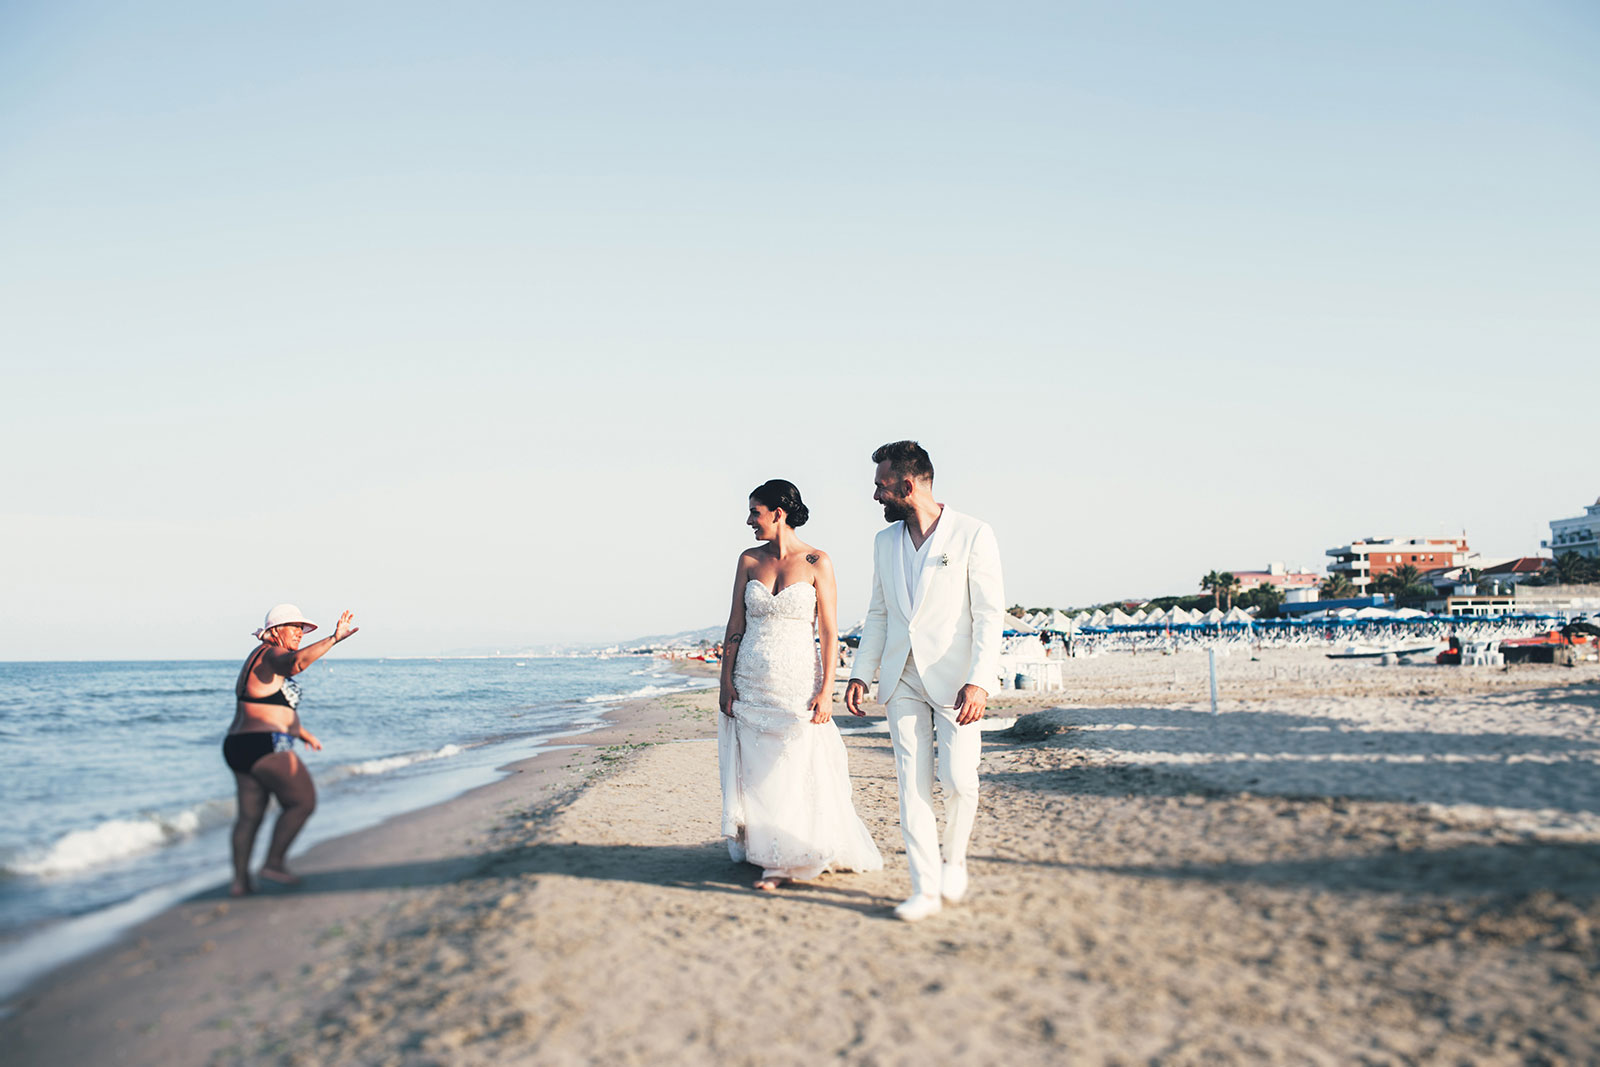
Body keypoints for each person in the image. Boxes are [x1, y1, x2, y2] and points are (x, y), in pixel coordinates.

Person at [845, 441, 1005, 922]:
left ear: (906, 485)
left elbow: (990, 616)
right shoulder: (883, 543)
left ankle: (955, 859)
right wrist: (860, 673)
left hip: (958, 682)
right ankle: (925, 888)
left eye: (881, 486)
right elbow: (878, 613)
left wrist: (980, 681)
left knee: (959, 780)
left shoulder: (974, 534)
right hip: (902, 678)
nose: (876, 496)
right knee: (910, 788)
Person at [717, 480, 883, 891]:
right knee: (757, 769)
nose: (749, 520)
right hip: (750, 679)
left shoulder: (817, 561)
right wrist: (725, 679)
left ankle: (786, 858)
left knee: (794, 763)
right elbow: (736, 623)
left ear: (778, 513)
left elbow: (829, 631)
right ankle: (767, 848)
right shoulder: (748, 560)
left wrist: (827, 689)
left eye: (755, 512)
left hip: (797, 681)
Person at [223, 603, 358, 896]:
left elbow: (270, 706)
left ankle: (240, 883)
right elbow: (296, 663)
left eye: (302, 628)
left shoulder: (262, 657)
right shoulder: (272, 654)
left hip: (240, 745)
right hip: (263, 744)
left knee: (250, 816)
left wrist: (303, 733)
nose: (299, 633)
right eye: (294, 627)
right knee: (303, 801)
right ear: (274, 631)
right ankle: (273, 863)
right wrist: (334, 639)